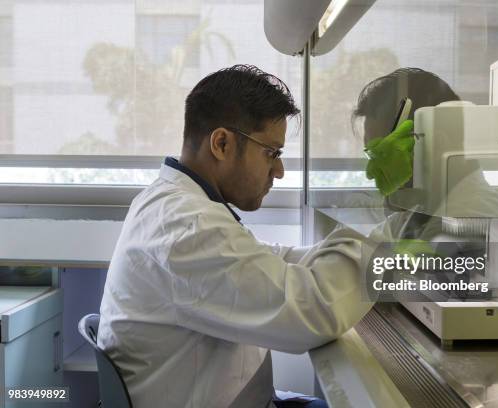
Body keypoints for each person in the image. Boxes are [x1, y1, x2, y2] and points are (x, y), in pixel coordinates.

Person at [97, 65, 396, 408]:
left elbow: (269, 260)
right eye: (272, 153)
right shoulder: (186, 227)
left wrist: (352, 246)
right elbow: (313, 311)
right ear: (222, 143)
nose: (280, 171)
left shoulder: (176, 204)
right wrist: (393, 242)